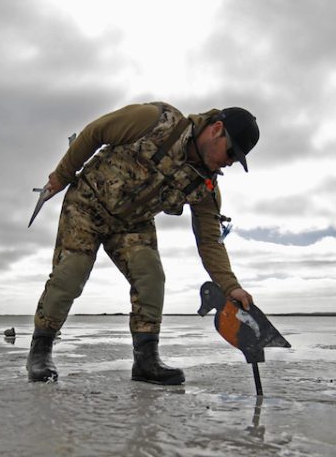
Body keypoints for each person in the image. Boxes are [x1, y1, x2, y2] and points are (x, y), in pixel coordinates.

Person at [28, 101, 260, 384]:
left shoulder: (204, 186)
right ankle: (40, 351)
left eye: (236, 160)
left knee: (151, 278)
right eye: (231, 152)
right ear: (216, 129)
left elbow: (210, 240)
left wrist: (231, 286)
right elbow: (95, 132)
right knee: (70, 274)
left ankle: (146, 360)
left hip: (132, 225)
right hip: (87, 204)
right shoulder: (155, 121)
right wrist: (62, 175)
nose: (229, 162)